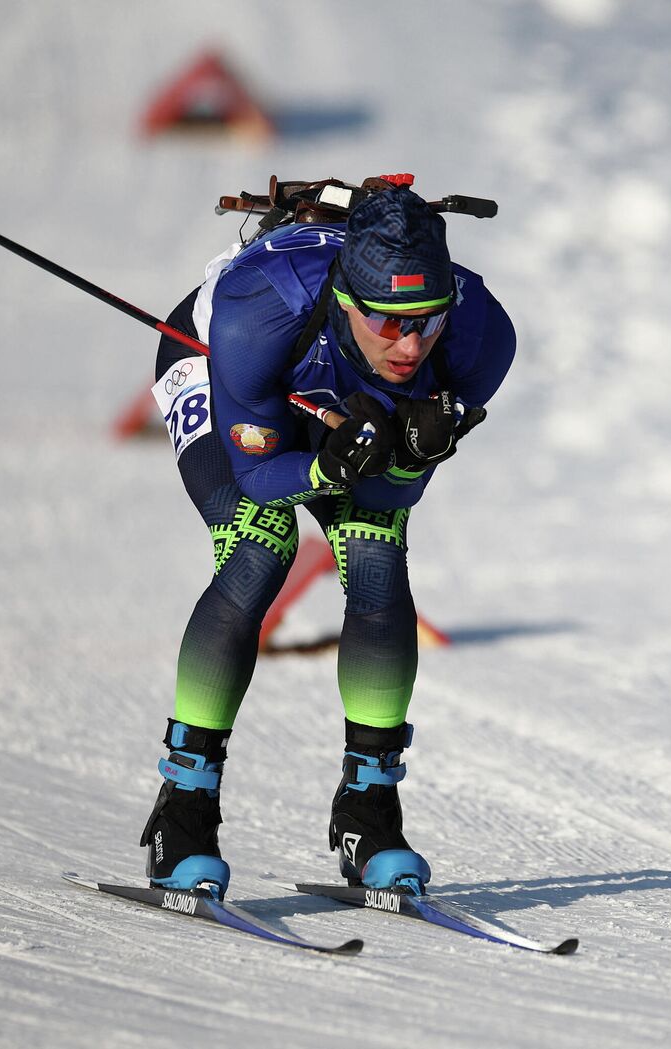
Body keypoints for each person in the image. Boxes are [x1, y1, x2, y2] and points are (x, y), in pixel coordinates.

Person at [140, 177, 516, 899]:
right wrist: (324, 462)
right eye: (389, 322)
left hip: (331, 386)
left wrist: (411, 453)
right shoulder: (259, 312)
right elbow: (256, 476)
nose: (411, 344)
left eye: (427, 321)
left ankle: (369, 813)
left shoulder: (481, 335)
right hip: (224, 367)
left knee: (375, 552)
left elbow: (390, 498)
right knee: (259, 545)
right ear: (349, 301)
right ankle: (181, 811)